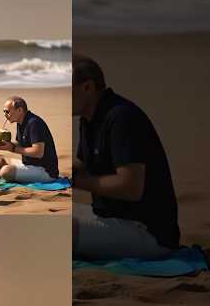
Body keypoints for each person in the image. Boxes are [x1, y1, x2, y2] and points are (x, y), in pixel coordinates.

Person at [72, 54, 180, 260]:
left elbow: (131, 187)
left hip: (148, 232)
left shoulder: (121, 117)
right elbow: (83, 165)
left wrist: (77, 181)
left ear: (87, 87)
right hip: (111, 218)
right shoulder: (89, 117)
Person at [0, 96, 59, 183]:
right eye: (4, 112)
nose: (5, 114)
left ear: (19, 110)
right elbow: (20, 145)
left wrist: (13, 148)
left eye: (7, 111)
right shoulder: (20, 122)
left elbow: (38, 152)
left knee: (5, 171)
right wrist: (8, 145)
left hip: (45, 171)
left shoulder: (34, 123)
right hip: (29, 165)